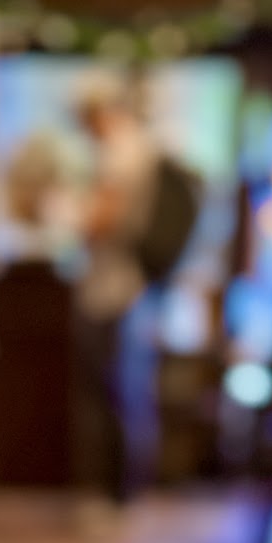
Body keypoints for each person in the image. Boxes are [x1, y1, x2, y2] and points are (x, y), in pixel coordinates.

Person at [71, 72, 160, 501]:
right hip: (128, 288)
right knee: (125, 390)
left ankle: (114, 492)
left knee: (110, 393)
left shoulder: (121, 151)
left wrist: (70, 218)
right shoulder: (139, 147)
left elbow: (102, 222)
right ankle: (126, 489)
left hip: (113, 291)